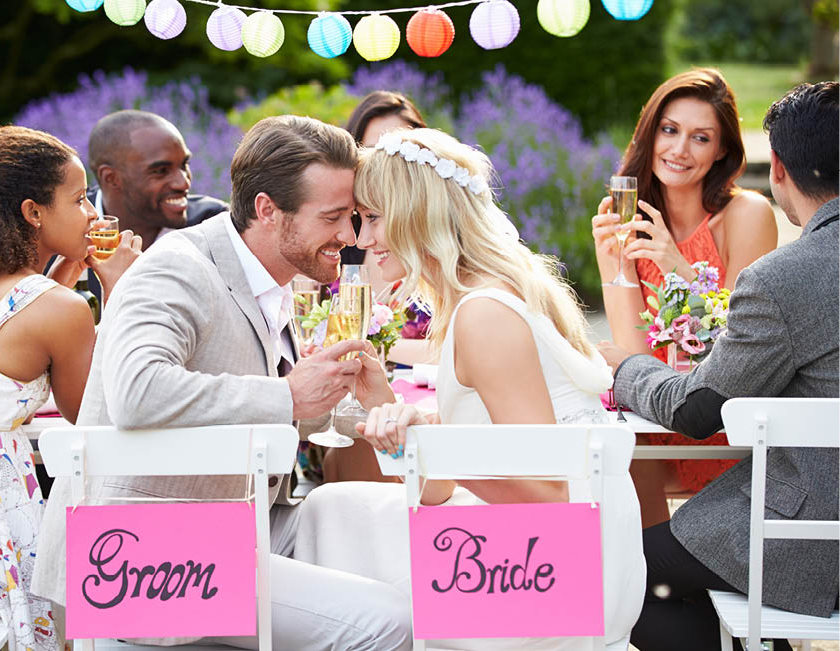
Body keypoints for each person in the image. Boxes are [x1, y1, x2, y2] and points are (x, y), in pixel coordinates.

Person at [32, 115, 411, 650]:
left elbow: (275, 404)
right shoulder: (179, 267)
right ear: (266, 210)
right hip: (143, 557)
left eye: (351, 217)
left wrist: (366, 410)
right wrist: (288, 395)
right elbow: (136, 391)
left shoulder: (270, 278)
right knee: (386, 622)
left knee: (373, 526)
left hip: (241, 524)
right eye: (332, 218)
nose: (349, 237)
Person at [294, 128, 646, 650]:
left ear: (420, 211)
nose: (360, 239)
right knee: (331, 509)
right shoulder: (477, 296)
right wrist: (381, 403)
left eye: (371, 217)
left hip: (563, 565)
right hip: (550, 542)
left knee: (329, 517)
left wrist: (429, 447)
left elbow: (549, 496)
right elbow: (437, 491)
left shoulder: (485, 312)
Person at [599, 81, 839, 651]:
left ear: (775, 166)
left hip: (804, 536)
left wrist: (623, 370)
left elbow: (697, 408)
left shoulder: (786, 276)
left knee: (613, 576)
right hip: (802, 513)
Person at [0, 126, 139, 651]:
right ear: (32, 212)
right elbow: (94, 415)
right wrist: (122, 292)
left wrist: (58, 279)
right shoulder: (58, 311)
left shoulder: (35, 300)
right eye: (80, 198)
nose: (92, 213)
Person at [591, 68, 778, 527]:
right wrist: (613, 264)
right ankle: (649, 578)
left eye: (700, 138)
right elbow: (633, 357)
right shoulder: (625, 222)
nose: (678, 150)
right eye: (670, 130)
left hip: (716, 415)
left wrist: (677, 265)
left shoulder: (745, 214)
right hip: (650, 418)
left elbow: (739, 348)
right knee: (607, 438)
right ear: (650, 134)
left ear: (721, 151)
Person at [320, 91, 432, 483]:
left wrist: (371, 347)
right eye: (375, 151)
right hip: (355, 409)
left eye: (401, 150)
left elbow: (449, 349)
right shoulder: (338, 246)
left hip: (416, 404)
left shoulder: (435, 257)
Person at [81, 109, 228, 303]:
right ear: (111, 178)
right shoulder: (69, 231)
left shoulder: (213, 224)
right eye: (161, 171)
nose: (183, 183)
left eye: (184, 165)